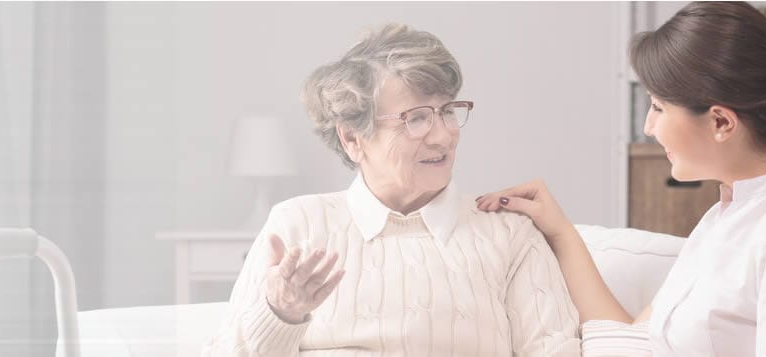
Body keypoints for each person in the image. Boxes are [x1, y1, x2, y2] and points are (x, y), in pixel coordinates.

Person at [203, 23, 580, 356]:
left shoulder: (507, 234)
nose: (443, 135)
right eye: (415, 118)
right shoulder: (298, 225)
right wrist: (280, 314)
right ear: (352, 138)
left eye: (448, 111)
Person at [477, 2, 766, 356]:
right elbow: (636, 339)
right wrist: (559, 231)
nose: (648, 127)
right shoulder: (724, 217)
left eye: (658, 107)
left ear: (721, 122)